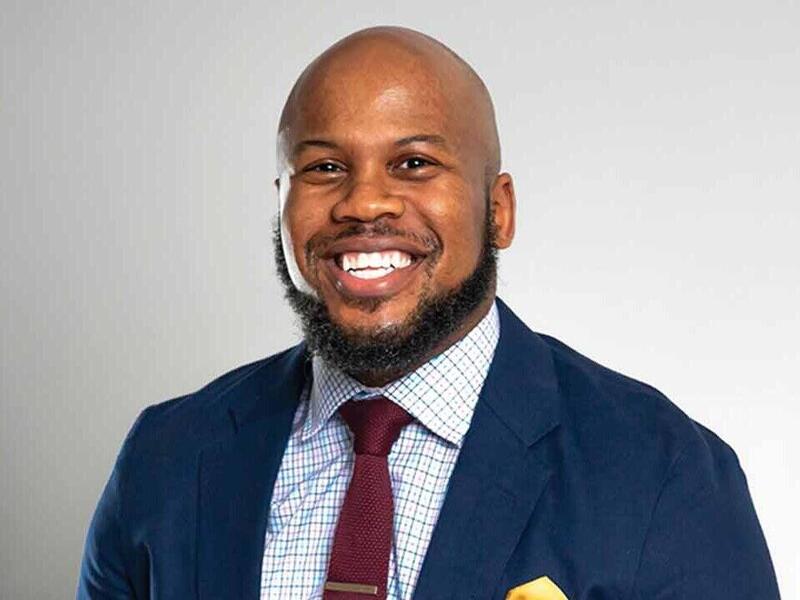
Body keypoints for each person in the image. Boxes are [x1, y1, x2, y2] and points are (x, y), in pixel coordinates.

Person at [78, 26, 780, 600]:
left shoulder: (663, 473)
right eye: (324, 167)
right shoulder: (167, 457)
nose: (364, 202)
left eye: (413, 163)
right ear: (282, 203)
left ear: (498, 210)